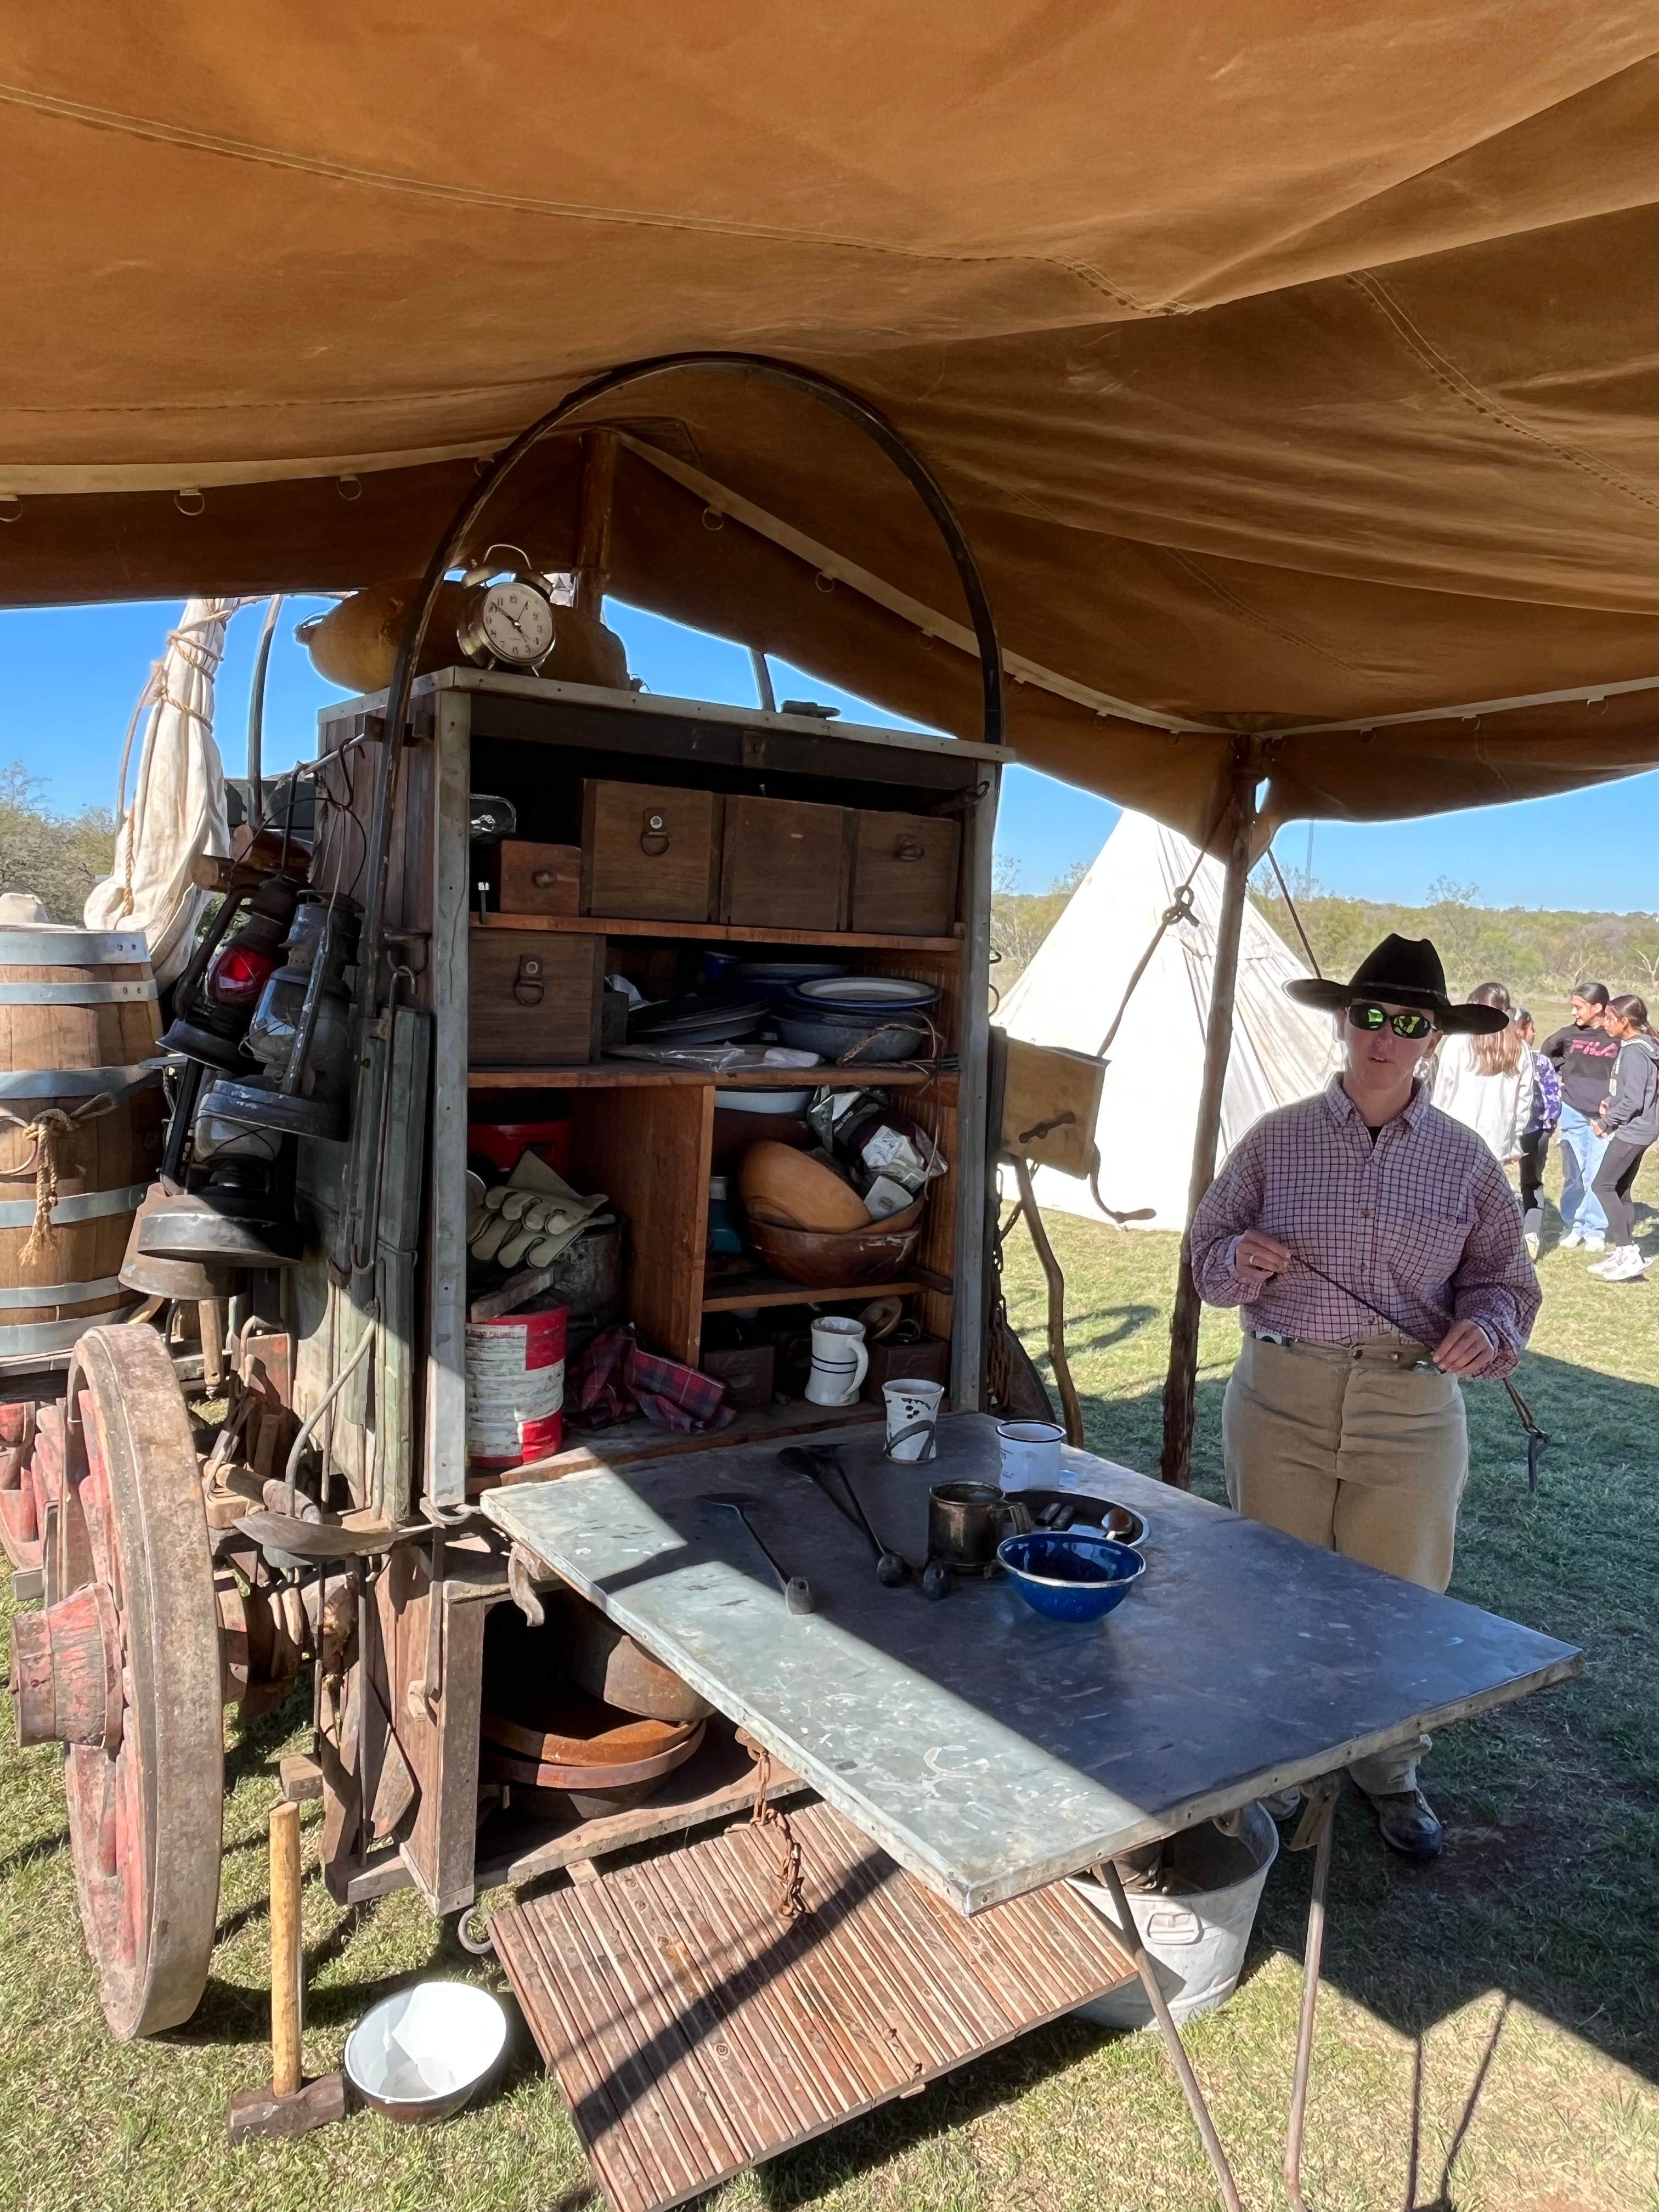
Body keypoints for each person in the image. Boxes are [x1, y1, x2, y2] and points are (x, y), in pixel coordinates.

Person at [1189, 934, 1540, 1863]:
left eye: (1407, 1023)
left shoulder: (1464, 1161)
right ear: (1343, 1021)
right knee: (1276, 1586)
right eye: (1370, 1017)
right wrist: (1237, 1260)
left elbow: (1505, 1283)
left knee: (1401, 1598)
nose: (1384, 1037)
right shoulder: (1274, 1138)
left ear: (1431, 1037)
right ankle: (1285, 1762)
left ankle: (1389, 1769)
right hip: (1280, 1393)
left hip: (1411, 1406)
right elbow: (1204, 1256)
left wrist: (1488, 1329)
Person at [1587, 995, 1658, 1284]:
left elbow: (1635, 1100)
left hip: (1634, 1131)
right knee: (1620, 1190)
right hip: (1640, 1128)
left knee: (1602, 1186)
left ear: (1624, 1022)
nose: (1605, 1023)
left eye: (1610, 1018)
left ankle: (1628, 1253)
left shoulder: (1636, 1051)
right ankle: (1624, 1251)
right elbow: (1630, 1092)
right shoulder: (1636, 1047)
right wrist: (1611, 1101)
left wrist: (1606, 1123)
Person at [1542, 985, 1618, 1250]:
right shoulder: (1569, 1034)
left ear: (1597, 1008)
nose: (1574, 1011)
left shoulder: (1615, 1035)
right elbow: (1546, 1055)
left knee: (1597, 1173)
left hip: (1604, 1117)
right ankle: (1573, 1224)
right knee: (1574, 1172)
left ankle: (1595, 1229)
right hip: (1572, 1110)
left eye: (1579, 1006)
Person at [1432, 981, 1530, 1166]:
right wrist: (1512, 1138)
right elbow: (1524, 1101)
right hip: (1497, 1144)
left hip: (1455, 1141)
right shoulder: (1521, 1048)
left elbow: (1442, 1093)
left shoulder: (1458, 1042)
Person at [1514, 1009, 1561, 1259]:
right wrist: (1549, 1125)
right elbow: (1554, 1099)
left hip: (1525, 1133)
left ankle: (1530, 1236)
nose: (1534, 1035)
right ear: (1520, 1031)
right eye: (1532, 1030)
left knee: (1529, 1182)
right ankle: (1528, 1234)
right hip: (1531, 1132)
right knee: (1532, 1183)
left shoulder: (1538, 1062)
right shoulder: (1536, 1062)